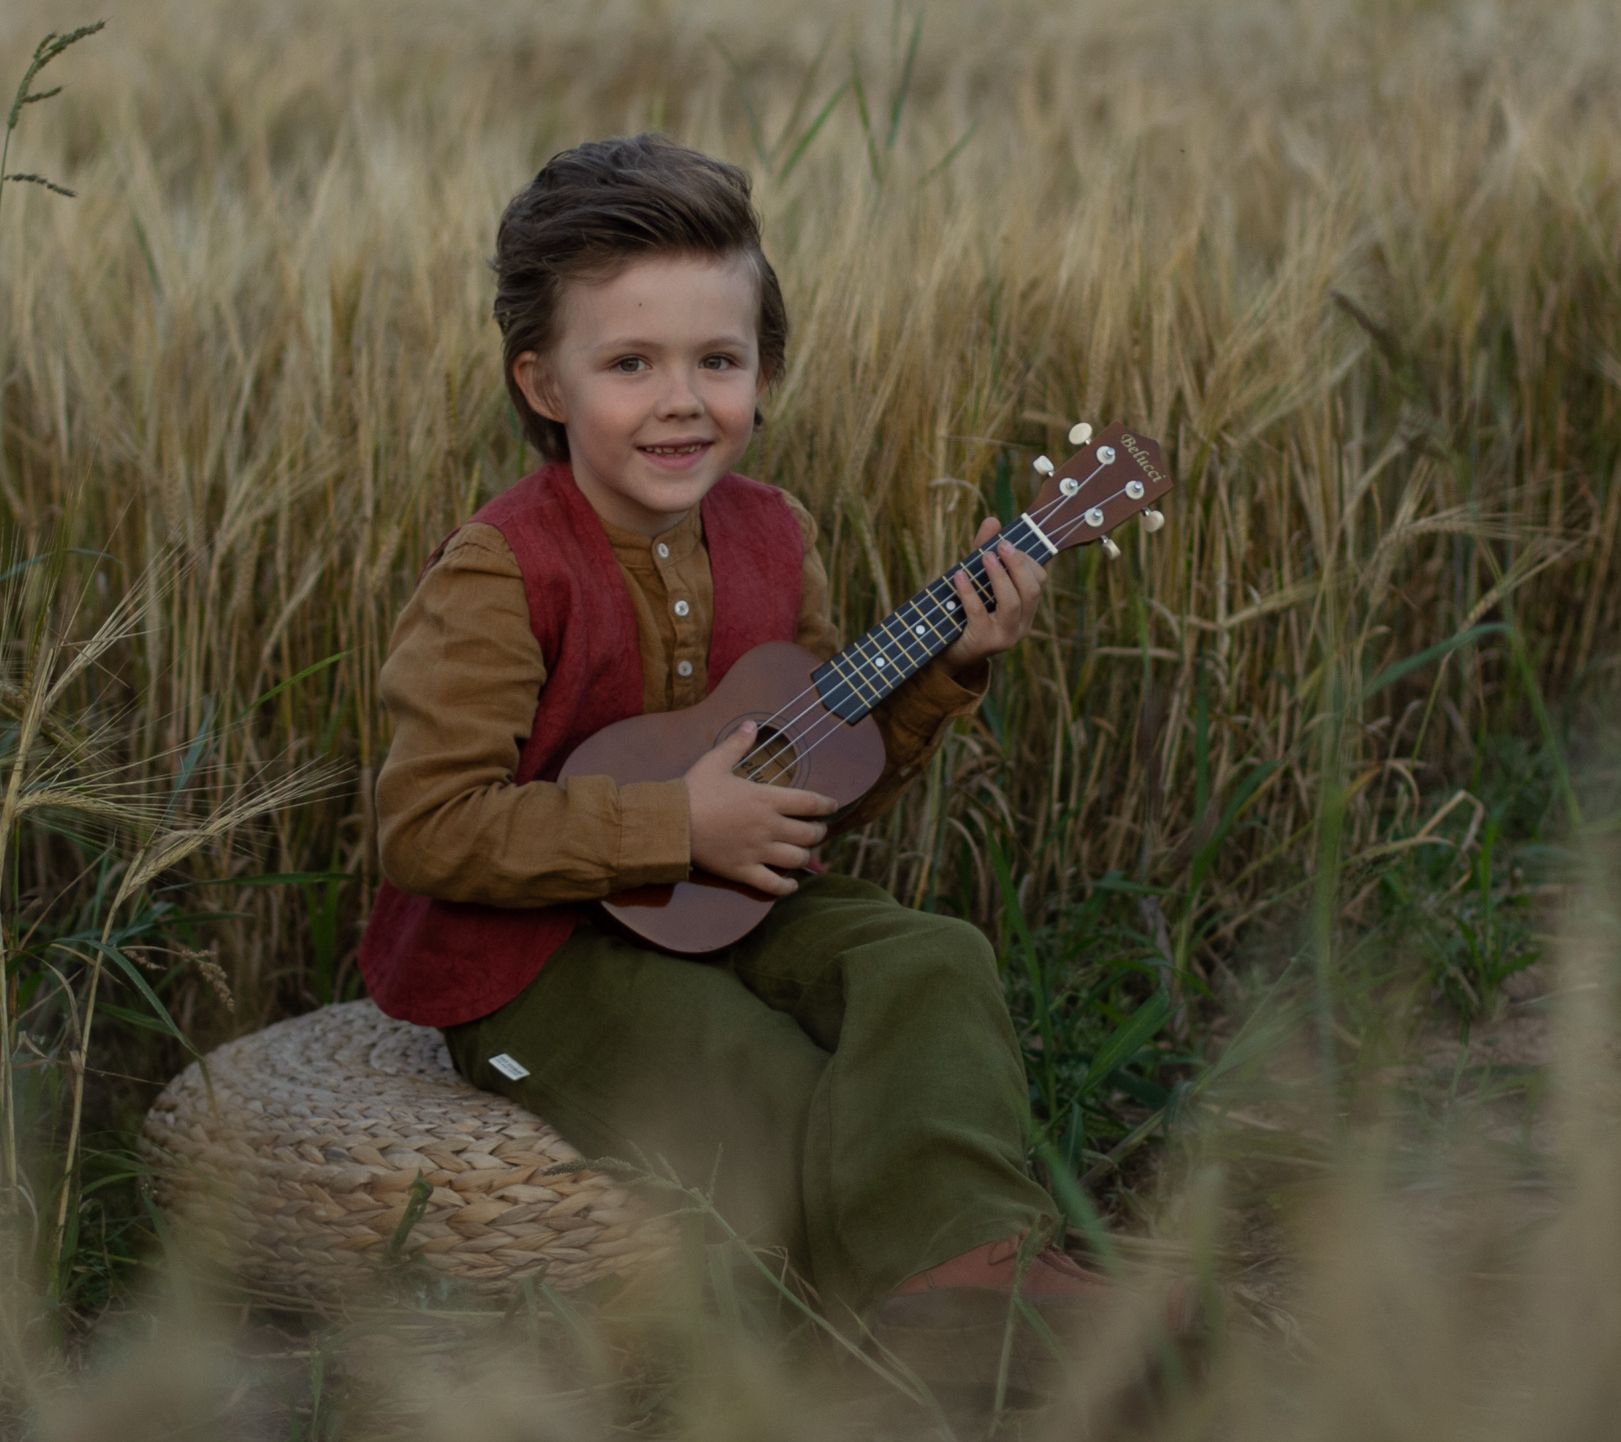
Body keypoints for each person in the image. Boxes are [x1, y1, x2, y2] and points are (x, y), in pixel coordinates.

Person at [358, 133, 1124, 1396]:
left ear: (765, 374)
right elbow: (429, 832)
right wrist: (676, 825)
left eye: (718, 360)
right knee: (766, 1085)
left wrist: (948, 666)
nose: (681, 400)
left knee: (933, 958)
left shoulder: (775, 536)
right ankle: (868, 1362)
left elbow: (809, 778)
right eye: (629, 363)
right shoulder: (503, 572)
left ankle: (967, 1284)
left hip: (718, 900)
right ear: (544, 383)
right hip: (524, 954)